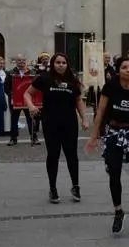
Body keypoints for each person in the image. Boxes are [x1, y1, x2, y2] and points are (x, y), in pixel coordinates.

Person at [87, 56, 129, 234]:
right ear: (118, 70)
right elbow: (101, 112)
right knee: (114, 173)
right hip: (114, 133)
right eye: (125, 67)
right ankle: (118, 211)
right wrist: (94, 136)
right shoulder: (111, 86)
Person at [25, 53, 88, 203]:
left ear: (67, 64)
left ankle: (76, 186)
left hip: (69, 122)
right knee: (53, 154)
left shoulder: (73, 81)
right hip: (50, 122)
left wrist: (84, 118)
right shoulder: (44, 78)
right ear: (53, 64)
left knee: (72, 154)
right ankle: (52, 188)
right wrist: (31, 106)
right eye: (58, 62)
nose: (61, 65)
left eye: (64, 62)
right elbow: (27, 93)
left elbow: (78, 100)